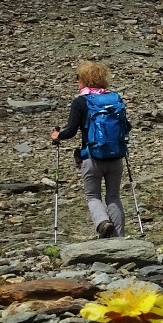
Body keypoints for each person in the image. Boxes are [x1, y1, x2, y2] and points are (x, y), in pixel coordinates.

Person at [50, 60, 131, 238]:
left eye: (78, 77)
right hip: (116, 157)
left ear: (85, 79)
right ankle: (118, 238)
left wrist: (57, 136)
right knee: (114, 197)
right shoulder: (114, 99)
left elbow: (70, 132)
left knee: (93, 196)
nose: (77, 81)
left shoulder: (81, 102)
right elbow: (127, 127)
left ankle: (103, 223)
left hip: (92, 157)